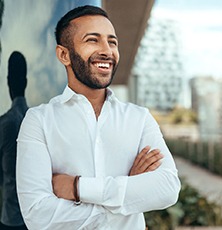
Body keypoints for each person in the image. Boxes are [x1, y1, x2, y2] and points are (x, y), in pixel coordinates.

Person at [16, 5, 180, 230]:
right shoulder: (38, 121)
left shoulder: (139, 118)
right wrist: (127, 194)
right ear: (64, 54)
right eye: (93, 40)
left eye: (112, 42)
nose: (107, 50)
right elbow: (37, 215)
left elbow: (167, 188)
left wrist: (77, 188)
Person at [0, 51, 28, 230]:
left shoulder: (5, 123)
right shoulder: (37, 119)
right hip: (35, 218)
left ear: (8, 82)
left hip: (11, 219)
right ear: (26, 83)